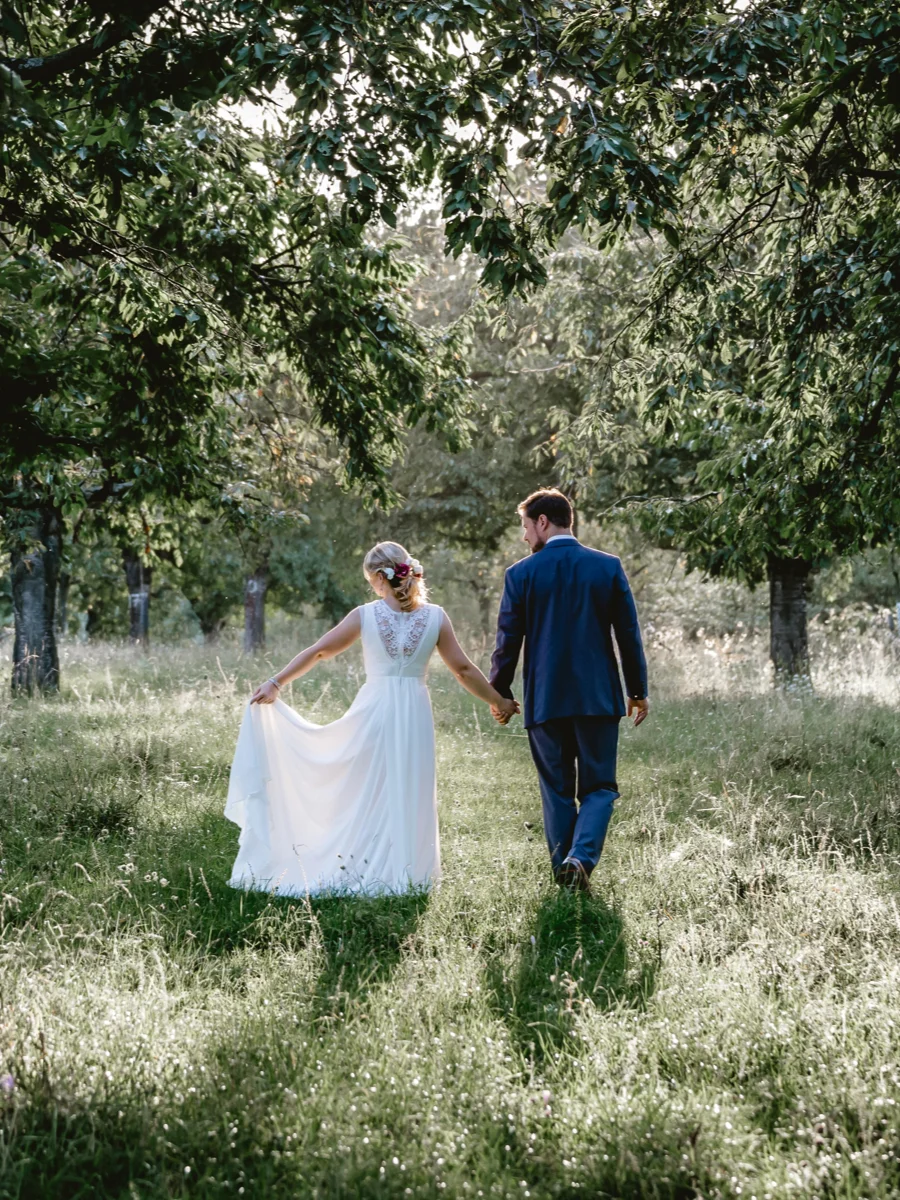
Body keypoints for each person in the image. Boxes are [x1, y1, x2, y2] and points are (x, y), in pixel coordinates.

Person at [225, 542, 518, 896]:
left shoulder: (365, 615)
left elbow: (320, 650)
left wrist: (276, 682)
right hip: (413, 711)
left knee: (366, 788)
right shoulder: (436, 617)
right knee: (409, 786)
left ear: (381, 577)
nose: (372, 587)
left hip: (375, 708)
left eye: (371, 580)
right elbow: (462, 670)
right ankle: (407, 874)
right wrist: (498, 700)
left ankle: (364, 865)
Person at [489, 488, 648, 894]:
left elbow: (508, 640)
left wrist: (500, 695)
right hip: (597, 699)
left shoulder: (521, 574)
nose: (525, 538)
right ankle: (580, 860)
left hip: (546, 700)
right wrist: (637, 690)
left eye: (526, 527)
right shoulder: (607, 567)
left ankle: (566, 874)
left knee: (557, 791)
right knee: (599, 787)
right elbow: (628, 635)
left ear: (543, 521)